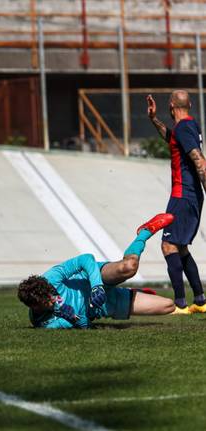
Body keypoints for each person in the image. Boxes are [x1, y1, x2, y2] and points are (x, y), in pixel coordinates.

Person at [18, 213, 176, 329]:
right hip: (105, 305)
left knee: (129, 267)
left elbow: (85, 259)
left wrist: (96, 286)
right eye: (47, 302)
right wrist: (72, 318)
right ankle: (130, 292)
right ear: (34, 306)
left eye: (50, 295)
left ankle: (144, 232)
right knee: (169, 306)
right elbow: (85, 325)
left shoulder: (50, 278)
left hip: (95, 279)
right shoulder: (43, 323)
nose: (52, 300)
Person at [147, 91, 206, 313]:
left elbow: (199, 160)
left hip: (183, 195)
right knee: (180, 248)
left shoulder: (184, 128)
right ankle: (200, 301)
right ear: (189, 104)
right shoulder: (188, 126)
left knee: (168, 245)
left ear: (171, 105)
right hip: (190, 195)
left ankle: (180, 304)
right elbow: (172, 139)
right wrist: (154, 120)